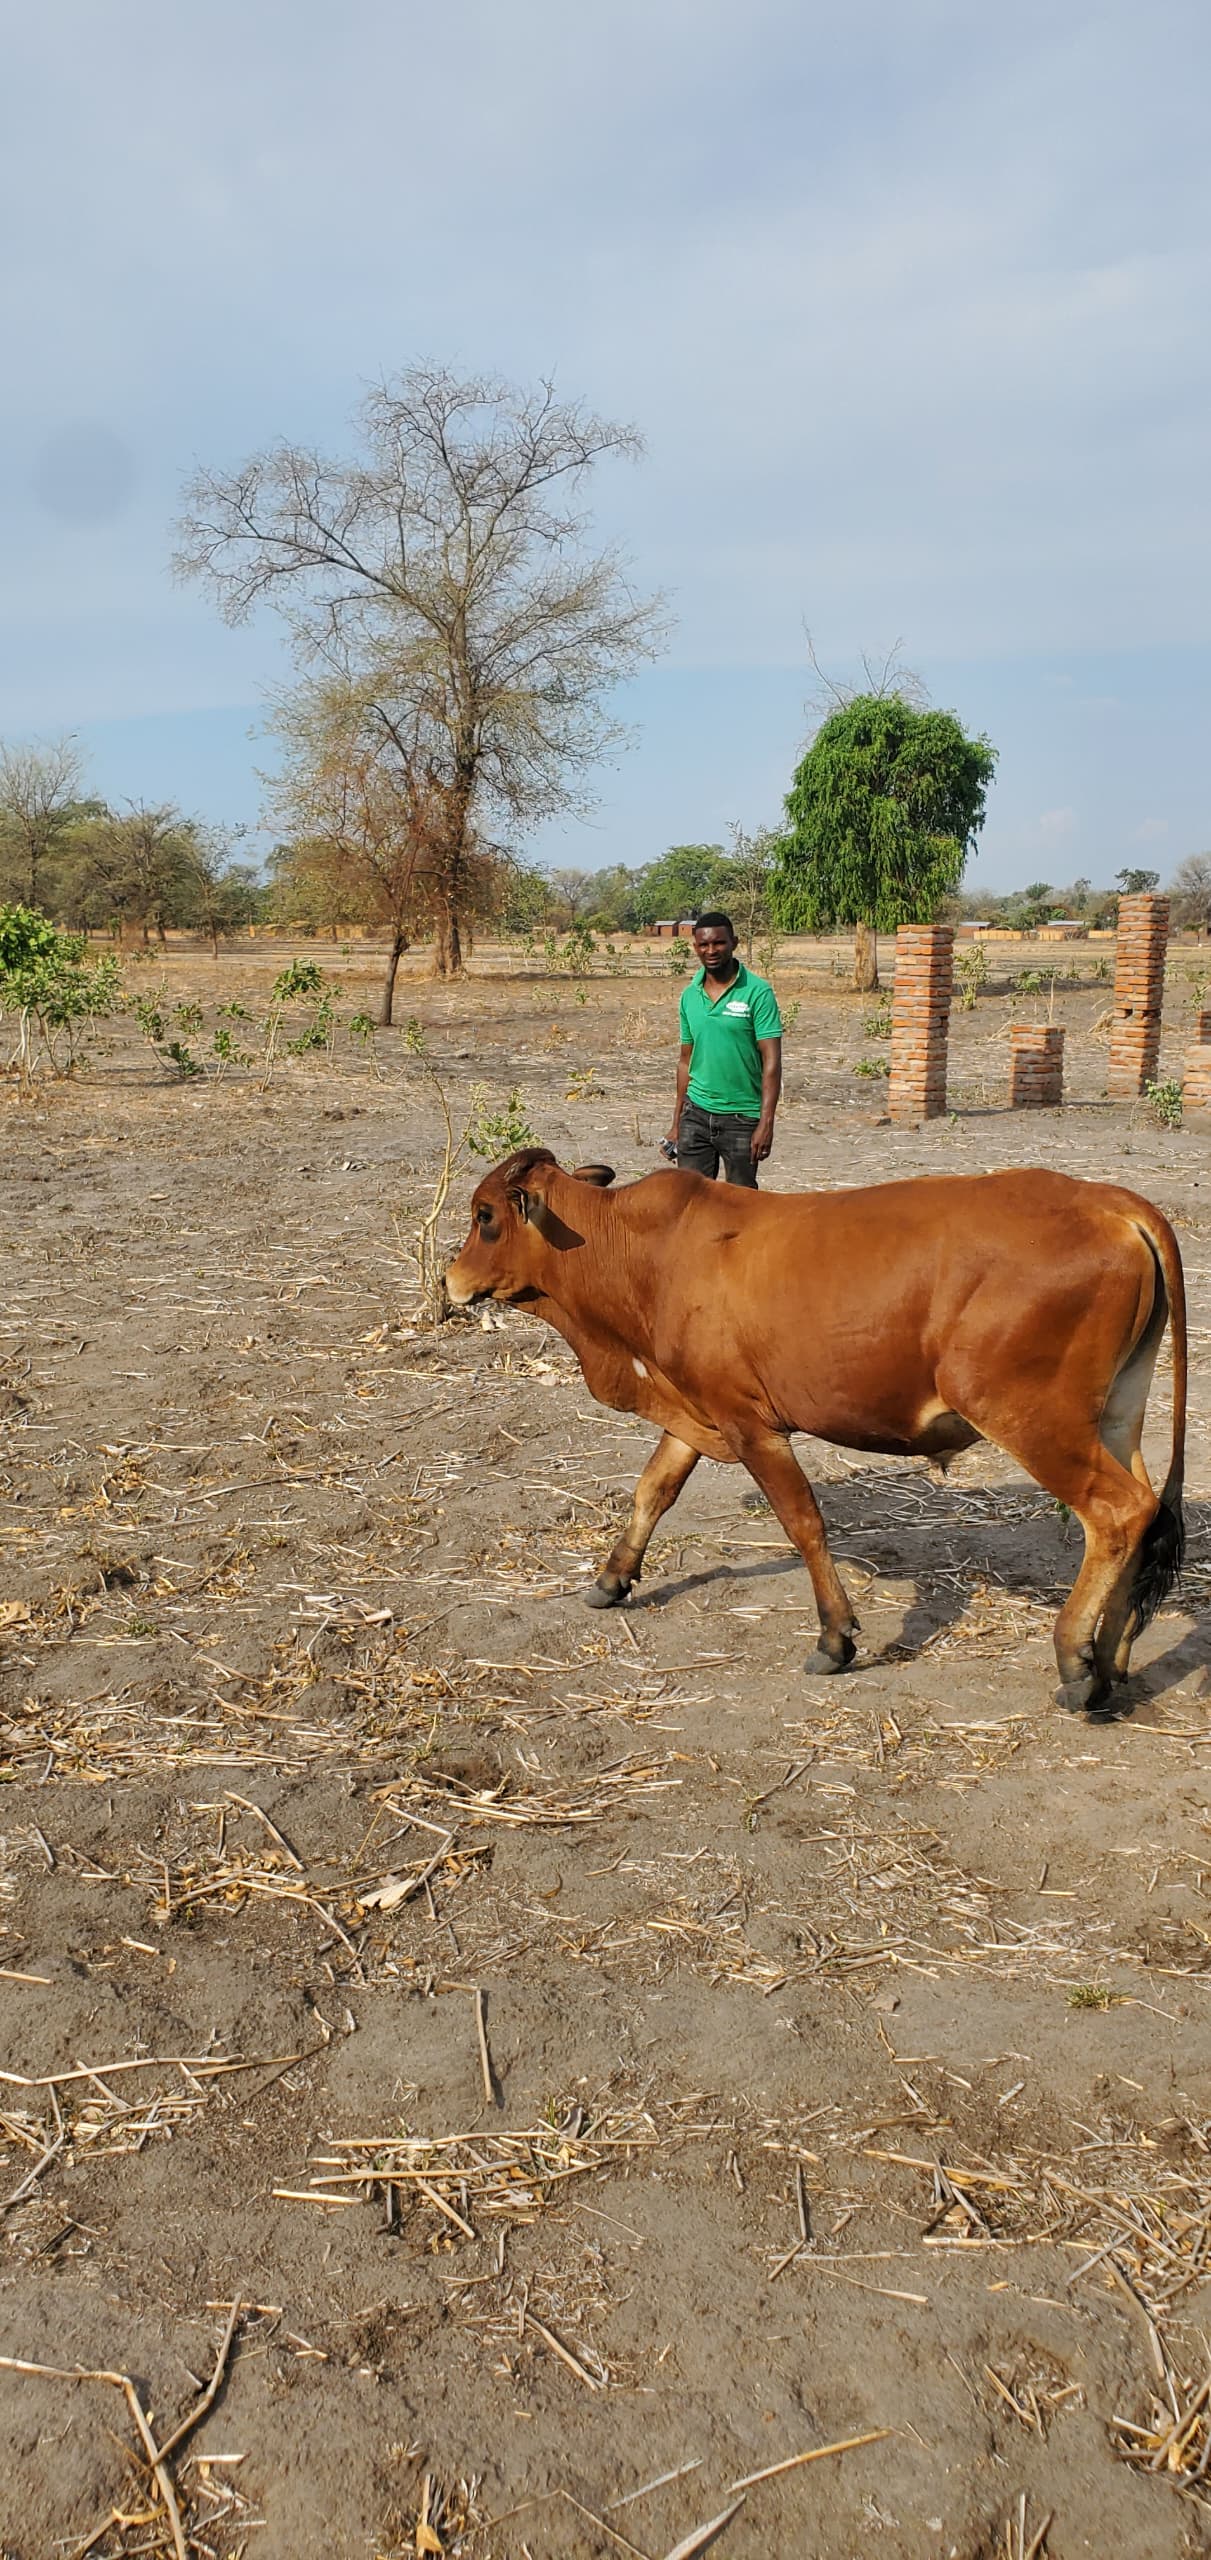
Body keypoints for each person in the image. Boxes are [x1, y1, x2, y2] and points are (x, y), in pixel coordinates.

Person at [666, 911, 782, 1187]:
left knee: (741, 1207)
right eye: (703, 945)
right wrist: (676, 1123)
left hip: (742, 1117)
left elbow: (772, 1062)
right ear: (695, 948)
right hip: (696, 1113)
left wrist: (766, 1122)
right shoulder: (689, 995)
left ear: (734, 943)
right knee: (690, 1202)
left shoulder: (757, 992)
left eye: (718, 943)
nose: (711, 950)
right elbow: (686, 1061)